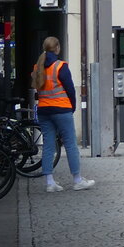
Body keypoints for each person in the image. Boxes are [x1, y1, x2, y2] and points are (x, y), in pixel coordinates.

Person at [31, 36, 96, 193]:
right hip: (61, 110)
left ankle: (49, 182)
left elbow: (37, 91)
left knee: (48, 145)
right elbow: (70, 90)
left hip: (44, 110)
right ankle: (77, 180)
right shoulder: (60, 66)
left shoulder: (37, 67)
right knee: (70, 144)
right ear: (58, 48)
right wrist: (72, 107)